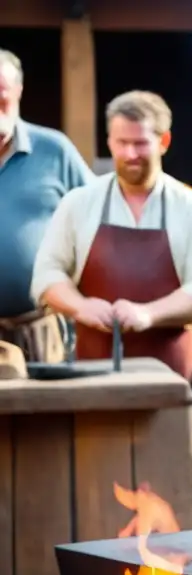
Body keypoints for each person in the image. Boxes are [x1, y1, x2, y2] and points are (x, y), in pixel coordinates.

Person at [31, 90, 192, 385]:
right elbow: (46, 276)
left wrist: (149, 314)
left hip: (172, 374)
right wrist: (82, 306)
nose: (130, 154)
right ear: (109, 140)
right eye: (122, 143)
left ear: (164, 142)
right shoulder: (79, 203)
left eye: (140, 143)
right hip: (91, 372)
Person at [0, 47, 92, 362]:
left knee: (47, 411)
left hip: (39, 329)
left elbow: (100, 223)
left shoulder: (55, 151)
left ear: (18, 92)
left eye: (2, 97)